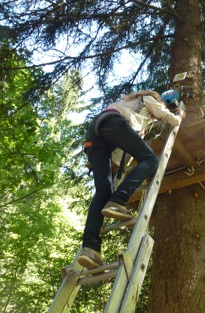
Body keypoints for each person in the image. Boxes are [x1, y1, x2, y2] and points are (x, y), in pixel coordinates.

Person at [78, 90, 184, 268]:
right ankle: (118, 200)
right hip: (113, 125)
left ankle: (90, 248)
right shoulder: (148, 99)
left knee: (103, 191)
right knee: (150, 160)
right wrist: (179, 115)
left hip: (95, 133)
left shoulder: (127, 103)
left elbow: (121, 150)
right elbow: (167, 117)